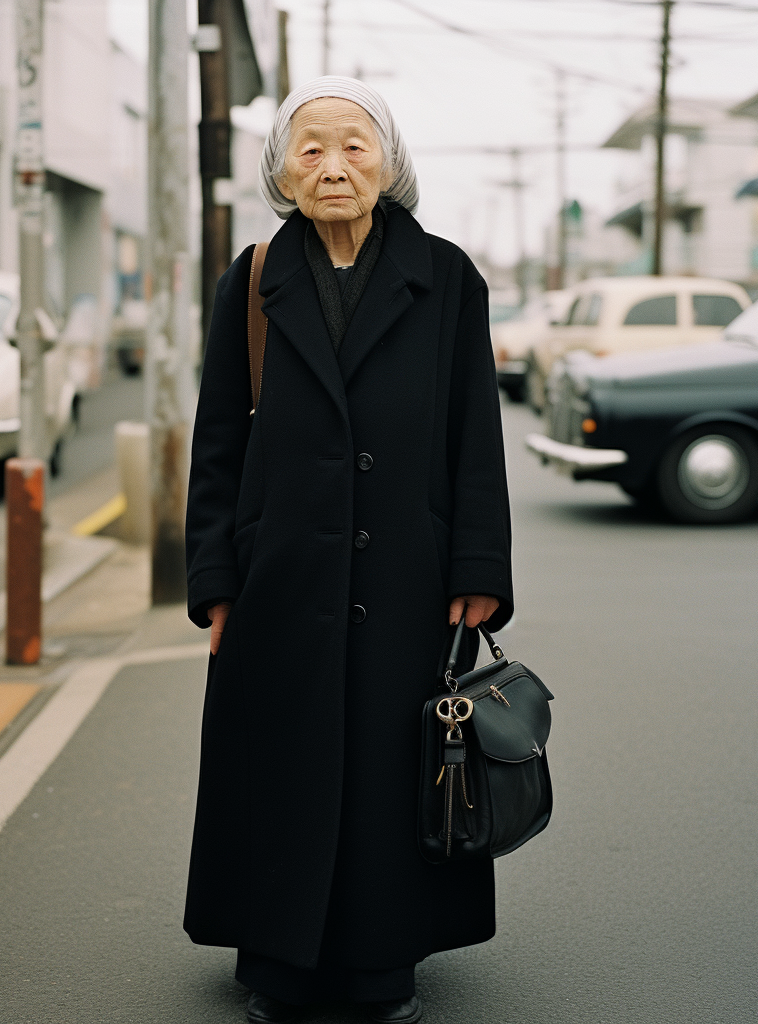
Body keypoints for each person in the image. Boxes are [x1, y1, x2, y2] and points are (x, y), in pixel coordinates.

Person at [184, 77, 513, 1024]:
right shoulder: (250, 282)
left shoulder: (447, 277)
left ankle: (380, 967)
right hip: (279, 576)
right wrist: (216, 584)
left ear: (390, 161)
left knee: (387, 768)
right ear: (282, 170)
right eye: (311, 148)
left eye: (354, 146)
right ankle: (278, 964)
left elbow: (473, 436)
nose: (333, 166)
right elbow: (219, 445)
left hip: (407, 574)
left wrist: (478, 571)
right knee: (277, 765)